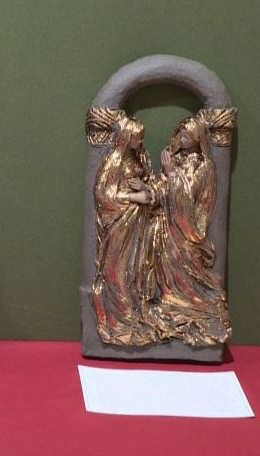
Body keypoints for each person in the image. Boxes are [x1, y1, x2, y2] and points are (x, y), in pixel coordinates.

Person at [148, 117, 231, 345]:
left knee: (176, 256)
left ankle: (186, 302)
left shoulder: (203, 166)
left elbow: (187, 198)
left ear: (198, 138)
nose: (182, 139)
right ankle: (168, 299)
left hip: (186, 228)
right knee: (159, 254)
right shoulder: (177, 159)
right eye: (180, 134)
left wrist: (172, 173)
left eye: (187, 135)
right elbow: (164, 186)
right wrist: (150, 191)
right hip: (167, 221)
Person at [92, 116, 157, 345]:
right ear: (127, 137)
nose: (141, 142)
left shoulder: (142, 157)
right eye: (138, 138)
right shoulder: (114, 161)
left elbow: (151, 183)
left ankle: (135, 315)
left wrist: (146, 190)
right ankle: (119, 319)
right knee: (116, 269)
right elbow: (103, 194)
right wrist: (134, 197)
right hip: (120, 224)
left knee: (136, 269)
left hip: (139, 224)